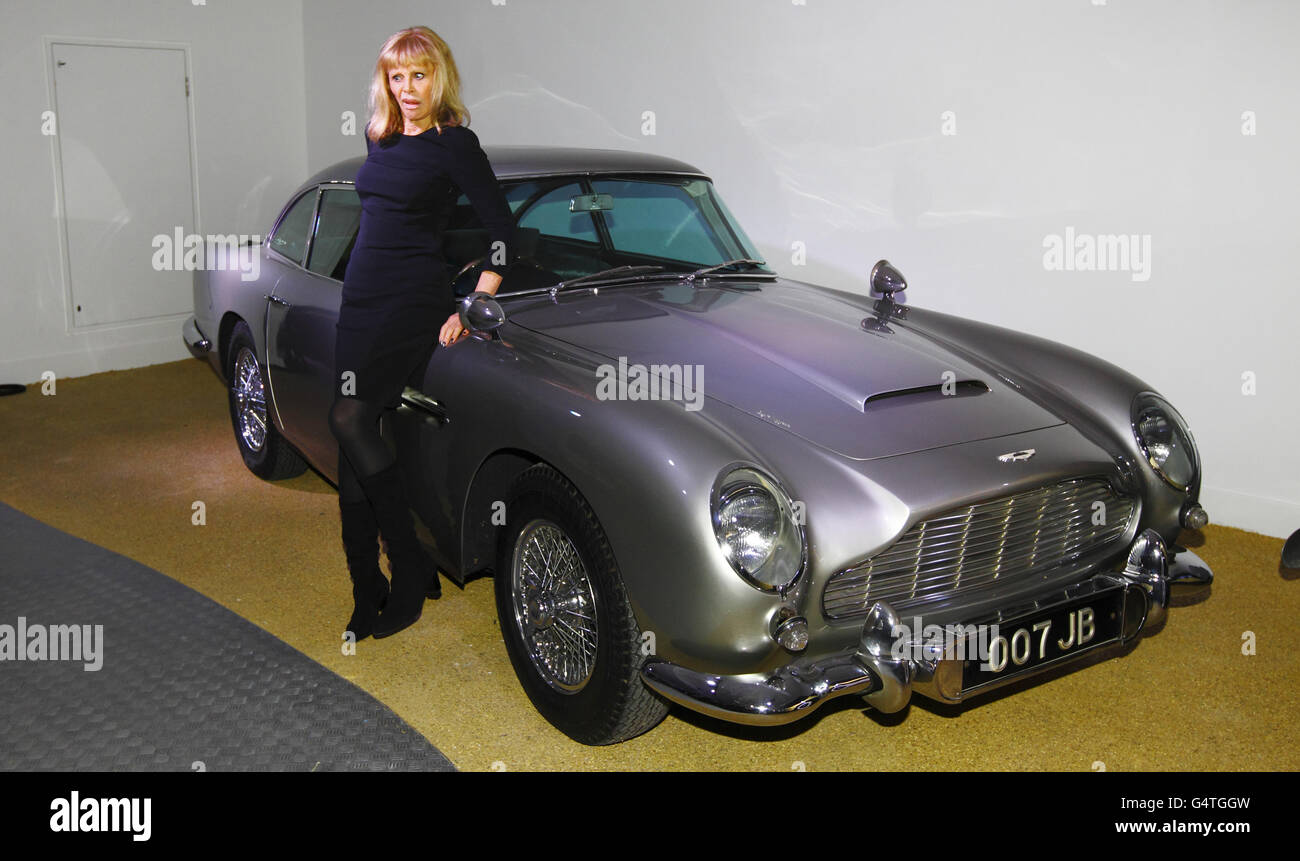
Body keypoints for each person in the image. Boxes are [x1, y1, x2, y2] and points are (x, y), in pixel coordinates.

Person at [331, 26, 515, 641]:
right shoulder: (378, 136)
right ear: (384, 81)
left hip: (410, 301)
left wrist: (471, 307)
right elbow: (374, 222)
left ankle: (406, 563)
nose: (407, 89)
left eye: (419, 75)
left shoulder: (455, 144)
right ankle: (366, 588)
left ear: (440, 77)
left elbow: (501, 232)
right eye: (396, 76)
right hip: (361, 298)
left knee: (351, 419)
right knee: (351, 438)